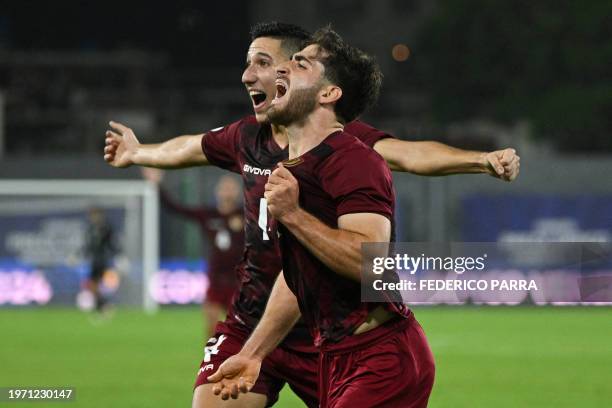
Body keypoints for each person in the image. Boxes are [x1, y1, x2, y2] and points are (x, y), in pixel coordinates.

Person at [103, 22, 520, 408]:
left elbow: (403, 175)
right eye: (248, 64)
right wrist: (139, 152)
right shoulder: (253, 139)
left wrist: (480, 160)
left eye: (267, 63)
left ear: (310, 81)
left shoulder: (349, 154)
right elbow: (293, 269)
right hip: (267, 317)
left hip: (353, 343)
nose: (250, 75)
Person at [207, 27, 434, 408]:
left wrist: (293, 215)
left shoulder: (354, 159)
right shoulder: (295, 170)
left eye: (299, 65)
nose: (280, 72)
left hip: (381, 360)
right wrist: (253, 353)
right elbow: (297, 280)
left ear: (329, 94)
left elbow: (370, 262)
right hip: (335, 359)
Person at [142, 168, 244, 339]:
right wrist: (158, 185)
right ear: (217, 191)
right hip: (216, 278)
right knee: (211, 327)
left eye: (231, 187)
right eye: (224, 187)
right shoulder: (208, 214)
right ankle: (212, 362)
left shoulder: (246, 215)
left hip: (239, 280)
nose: (227, 191)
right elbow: (176, 208)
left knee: (240, 330)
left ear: (238, 192)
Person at [85, 207, 116, 313]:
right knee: (92, 286)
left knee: (94, 284)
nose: (93, 217)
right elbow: (88, 246)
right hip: (94, 261)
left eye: (95, 214)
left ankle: (103, 305)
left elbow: (111, 244)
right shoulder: (90, 228)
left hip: (102, 260)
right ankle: (102, 305)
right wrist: (78, 255)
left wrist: (118, 256)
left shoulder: (106, 228)